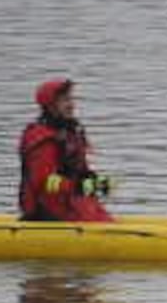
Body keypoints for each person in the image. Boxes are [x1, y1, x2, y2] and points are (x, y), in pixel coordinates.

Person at [18, 78, 114, 222]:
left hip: (73, 205)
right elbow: (44, 182)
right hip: (49, 211)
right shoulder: (43, 139)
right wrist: (79, 186)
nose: (71, 105)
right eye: (65, 100)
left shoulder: (71, 133)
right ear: (51, 106)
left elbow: (80, 171)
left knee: (103, 219)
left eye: (71, 99)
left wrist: (96, 182)